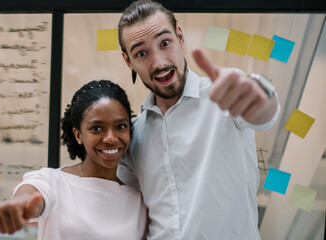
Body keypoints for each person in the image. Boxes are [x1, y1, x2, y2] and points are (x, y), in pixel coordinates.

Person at [116, 1, 280, 239]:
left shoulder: (225, 95)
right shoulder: (133, 134)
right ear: (128, 61)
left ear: (180, 38)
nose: (160, 62)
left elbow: (264, 113)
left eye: (165, 43)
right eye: (142, 53)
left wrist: (260, 95)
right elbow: (132, 216)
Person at [0, 80, 147, 240]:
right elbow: (30, 194)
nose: (110, 138)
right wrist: (21, 205)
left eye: (120, 126)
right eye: (96, 128)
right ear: (78, 135)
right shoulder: (53, 181)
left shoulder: (138, 201)